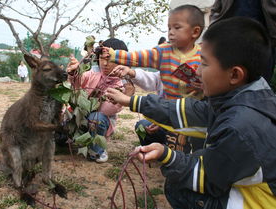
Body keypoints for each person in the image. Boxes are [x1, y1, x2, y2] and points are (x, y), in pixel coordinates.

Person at [106, 17, 276, 209]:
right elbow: (191, 112)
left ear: (235, 75)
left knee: (180, 187)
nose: (196, 70)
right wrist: (131, 101)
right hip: (241, 180)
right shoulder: (245, 98)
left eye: (203, 63)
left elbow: (206, 177)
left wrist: (168, 156)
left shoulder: (241, 128)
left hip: (259, 203)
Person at [103, 5, 206, 153]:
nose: (171, 32)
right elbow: (139, 57)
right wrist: (114, 55)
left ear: (195, 32)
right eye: (169, 28)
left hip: (194, 114)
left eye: (177, 27)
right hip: (171, 113)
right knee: (176, 149)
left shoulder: (203, 56)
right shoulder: (163, 52)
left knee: (199, 151)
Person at [67, 38, 134, 163]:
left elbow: (106, 110)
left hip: (100, 120)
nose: (105, 63)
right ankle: (71, 140)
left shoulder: (120, 84)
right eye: (102, 58)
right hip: (81, 116)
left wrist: (121, 99)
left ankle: (97, 150)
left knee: (96, 118)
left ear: (122, 62)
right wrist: (75, 73)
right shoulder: (93, 73)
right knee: (66, 117)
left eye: (110, 59)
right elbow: (79, 82)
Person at [210, 0, 276, 83]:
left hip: (261, 44)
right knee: (228, 83)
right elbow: (217, 7)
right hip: (230, 42)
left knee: (258, 85)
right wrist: (213, 24)